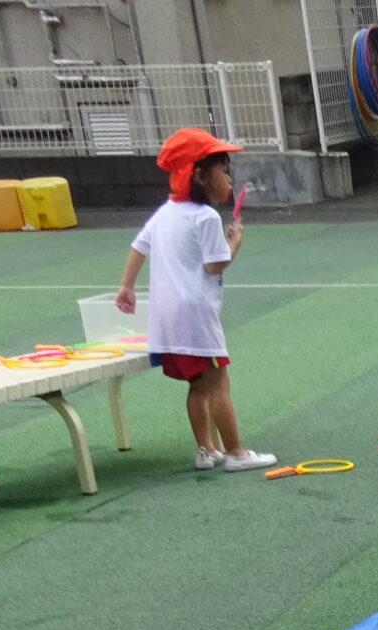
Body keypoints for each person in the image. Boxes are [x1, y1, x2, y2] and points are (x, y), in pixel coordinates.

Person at [114, 128, 274, 472]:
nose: (229, 179)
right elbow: (215, 263)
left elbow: (138, 247)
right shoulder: (205, 216)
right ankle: (236, 452)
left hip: (167, 317)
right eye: (224, 171)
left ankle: (206, 450)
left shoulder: (165, 212)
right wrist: (234, 243)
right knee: (218, 383)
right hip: (195, 316)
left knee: (198, 385)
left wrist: (126, 286)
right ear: (199, 176)